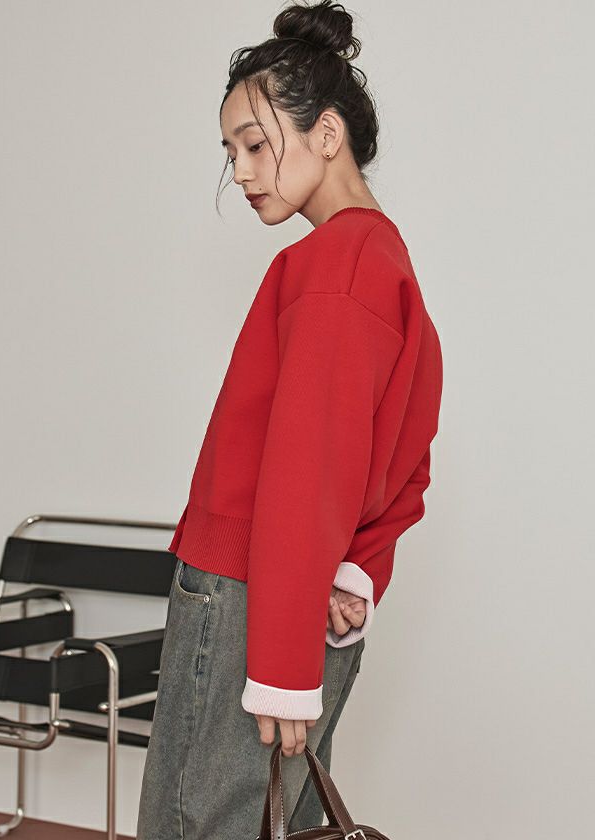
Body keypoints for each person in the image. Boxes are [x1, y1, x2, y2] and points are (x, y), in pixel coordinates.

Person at [136, 1, 443, 837]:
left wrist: (278, 663)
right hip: (294, 591)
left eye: (256, 144)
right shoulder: (384, 259)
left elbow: (307, 470)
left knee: (196, 823)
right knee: (280, 822)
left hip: (249, 597)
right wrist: (354, 572)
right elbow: (406, 456)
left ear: (327, 134)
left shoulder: (331, 265)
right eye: (230, 152)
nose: (240, 171)